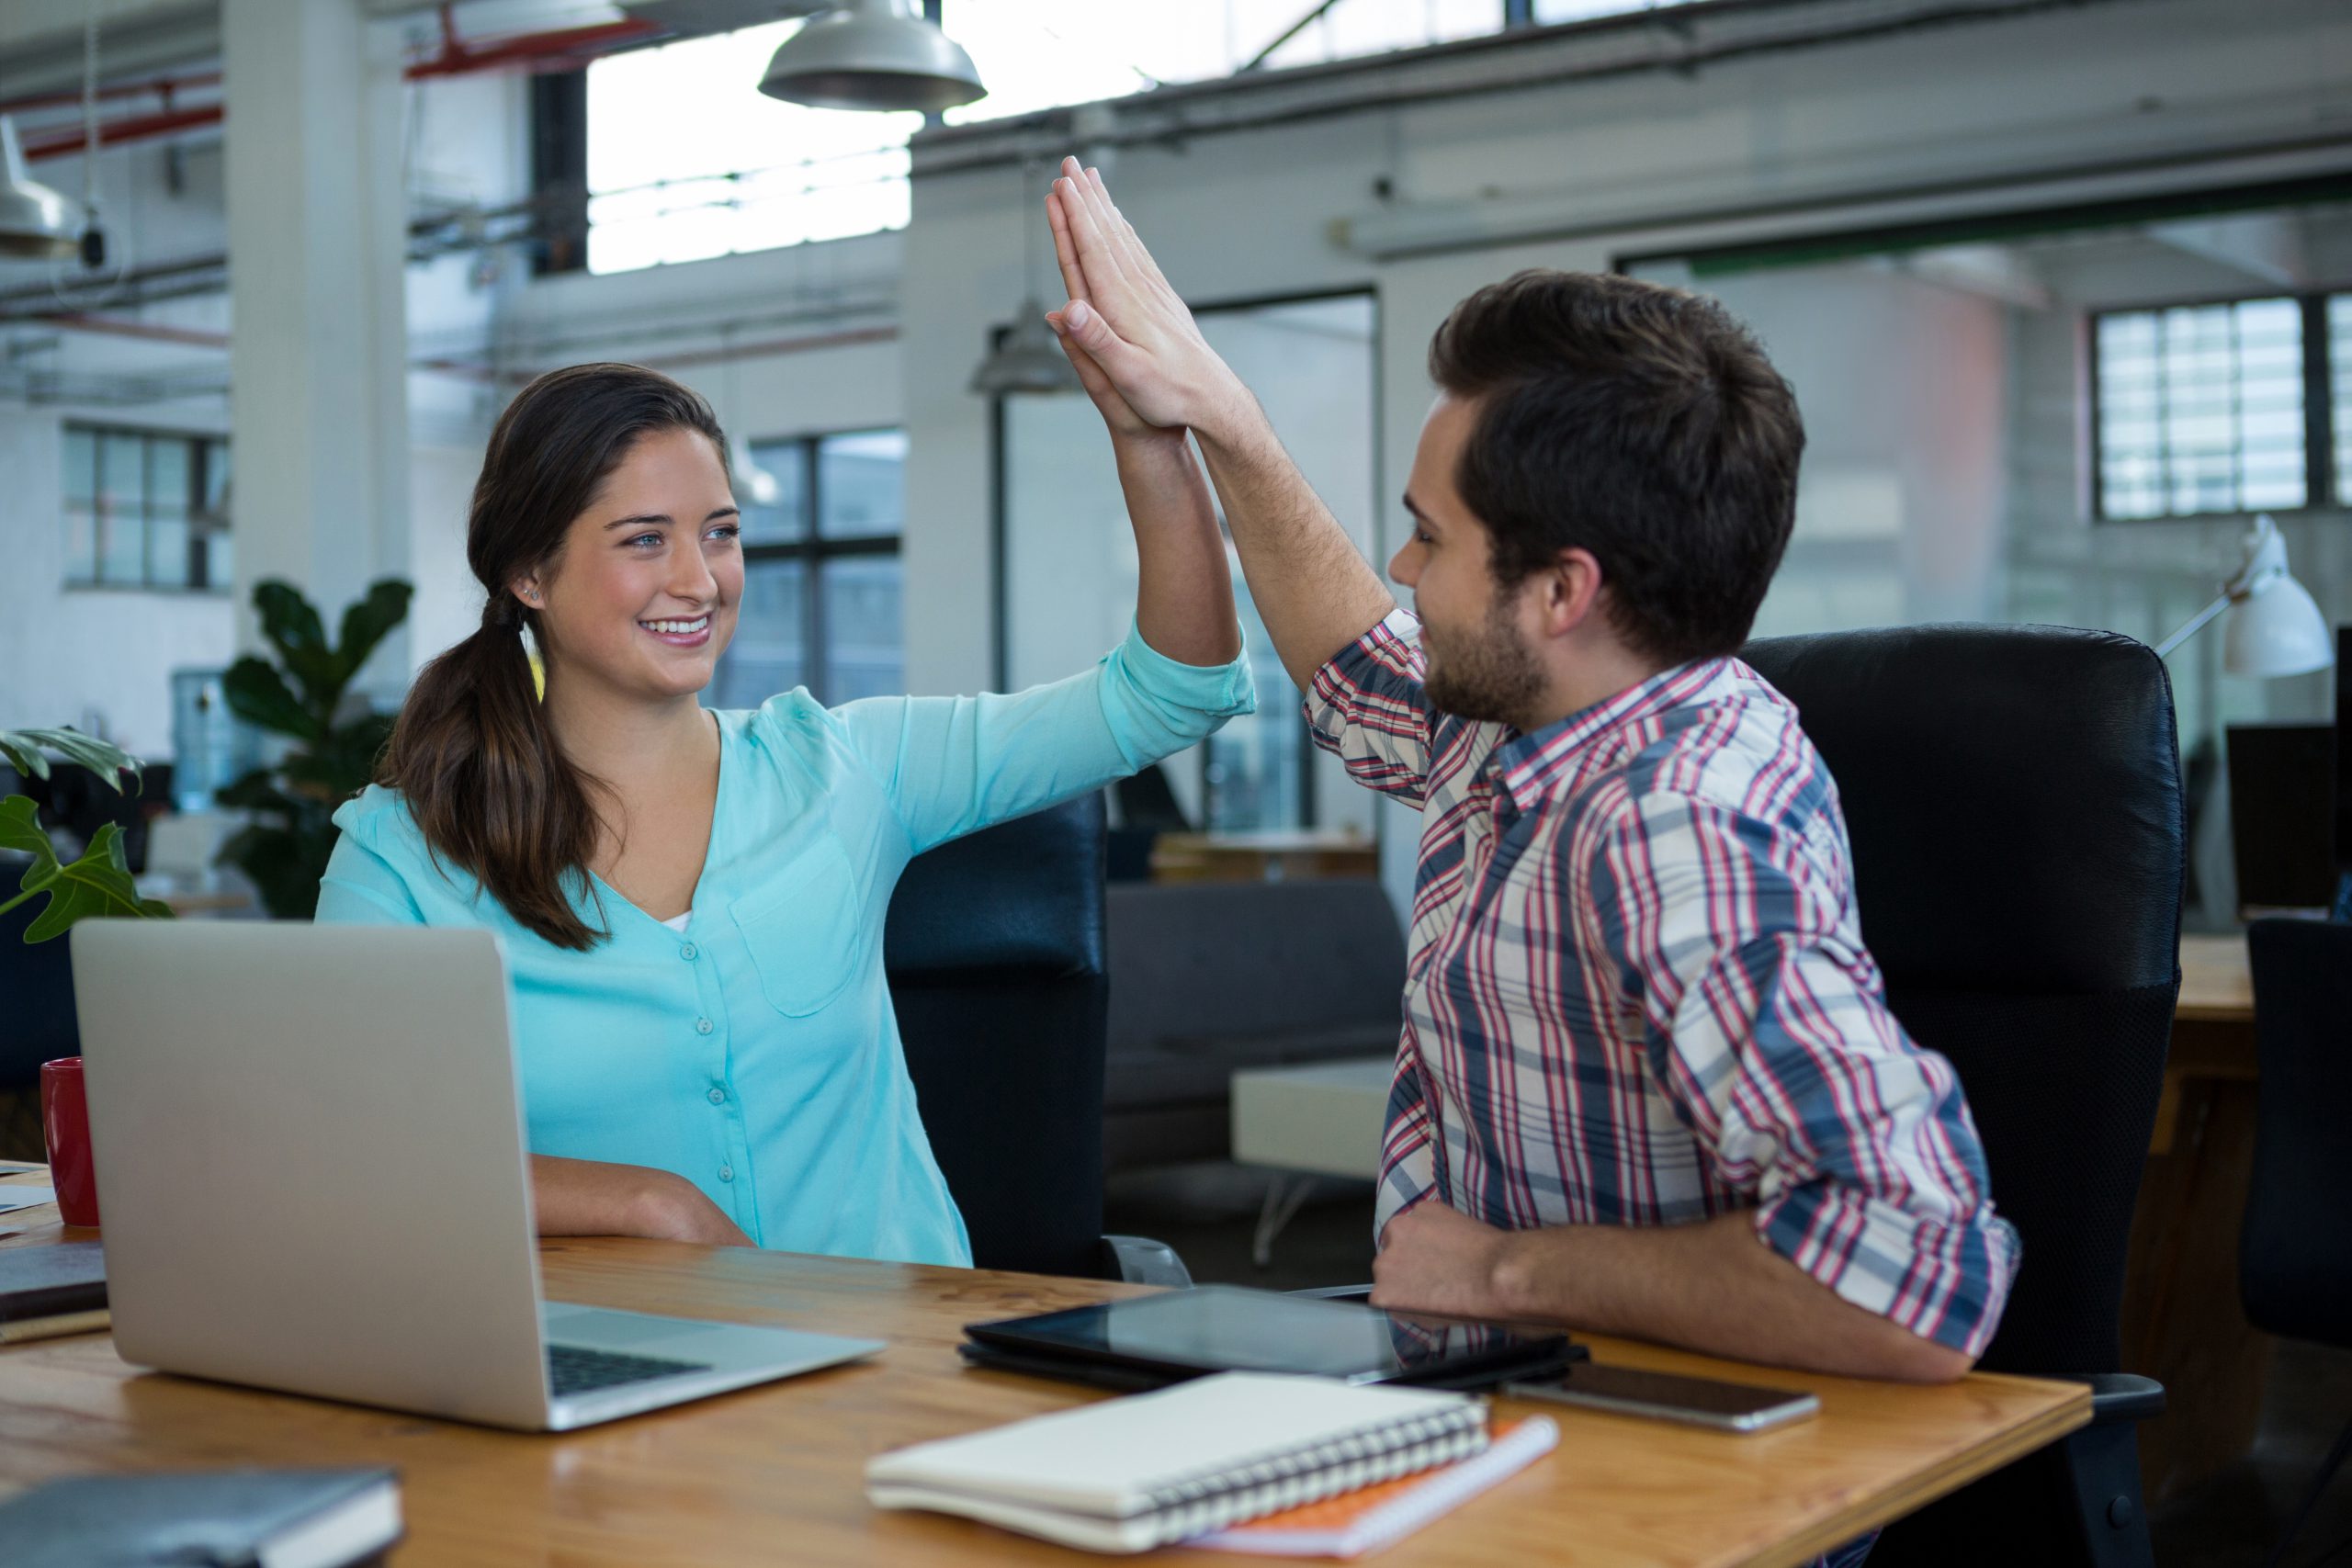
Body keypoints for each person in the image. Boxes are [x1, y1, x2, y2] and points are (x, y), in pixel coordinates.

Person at [1040, 159, 2016, 1385]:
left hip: (1643, 1455)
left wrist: (1500, 1269)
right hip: (1487, 1389)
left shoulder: (1678, 824)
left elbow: (1918, 1277)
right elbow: (1356, 667)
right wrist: (1221, 418)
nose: (1400, 561)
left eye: (1432, 536)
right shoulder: (1537, 716)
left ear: (1562, 589)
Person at [314, 362, 1250, 1265]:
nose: (700, 580)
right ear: (528, 571)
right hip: (613, 1378)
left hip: (896, 1372)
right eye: (644, 539)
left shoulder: (845, 769)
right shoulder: (401, 855)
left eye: (719, 533)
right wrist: (642, 1204)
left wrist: (1150, 444)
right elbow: (347, 1153)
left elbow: (1175, 692)